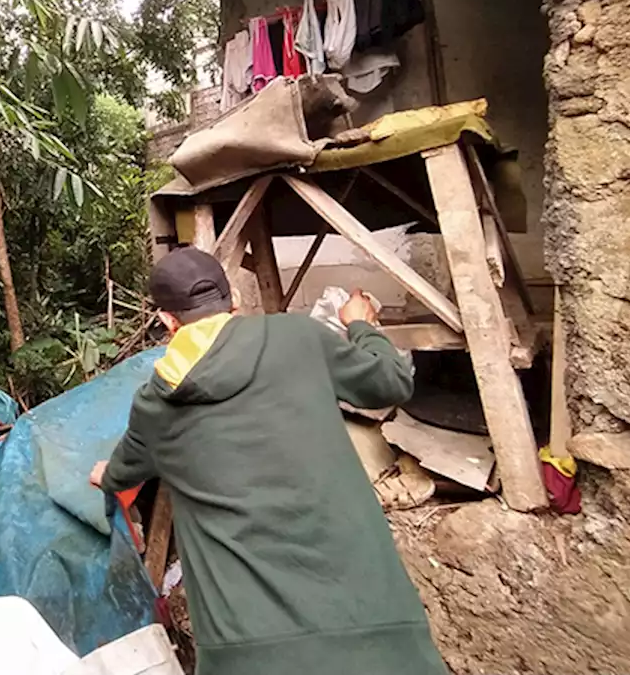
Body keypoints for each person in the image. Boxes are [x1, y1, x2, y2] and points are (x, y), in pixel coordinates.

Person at [89, 248, 447, 675]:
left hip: (246, 655)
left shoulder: (155, 404)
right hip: (379, 634)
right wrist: (361, 326)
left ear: (167, 321)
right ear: (234, 301)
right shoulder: (299, 338)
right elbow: (391, 381)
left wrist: (105, 475)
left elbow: (121, 471)